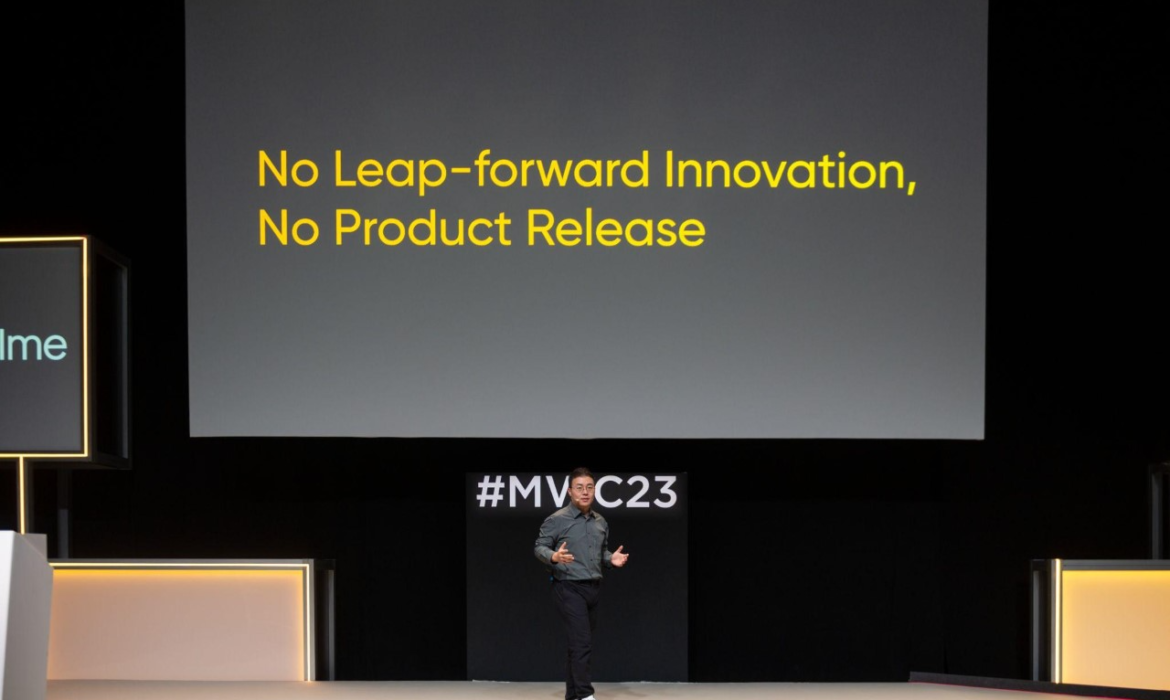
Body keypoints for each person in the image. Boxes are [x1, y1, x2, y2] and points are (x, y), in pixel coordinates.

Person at [534, 467, 629, 700]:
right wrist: (554, 556)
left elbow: (600, 553)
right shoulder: (557, 519)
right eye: (579, 488)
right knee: (582, 643)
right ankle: (586, 695)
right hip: (568, 587)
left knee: (577, 645)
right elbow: (539, 547)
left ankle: (573, 695)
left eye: (589, 487)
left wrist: (610, 559)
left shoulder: (600, 522)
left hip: (593, 588)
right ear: (570, 491)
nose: (585, 492)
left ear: (594, 490)